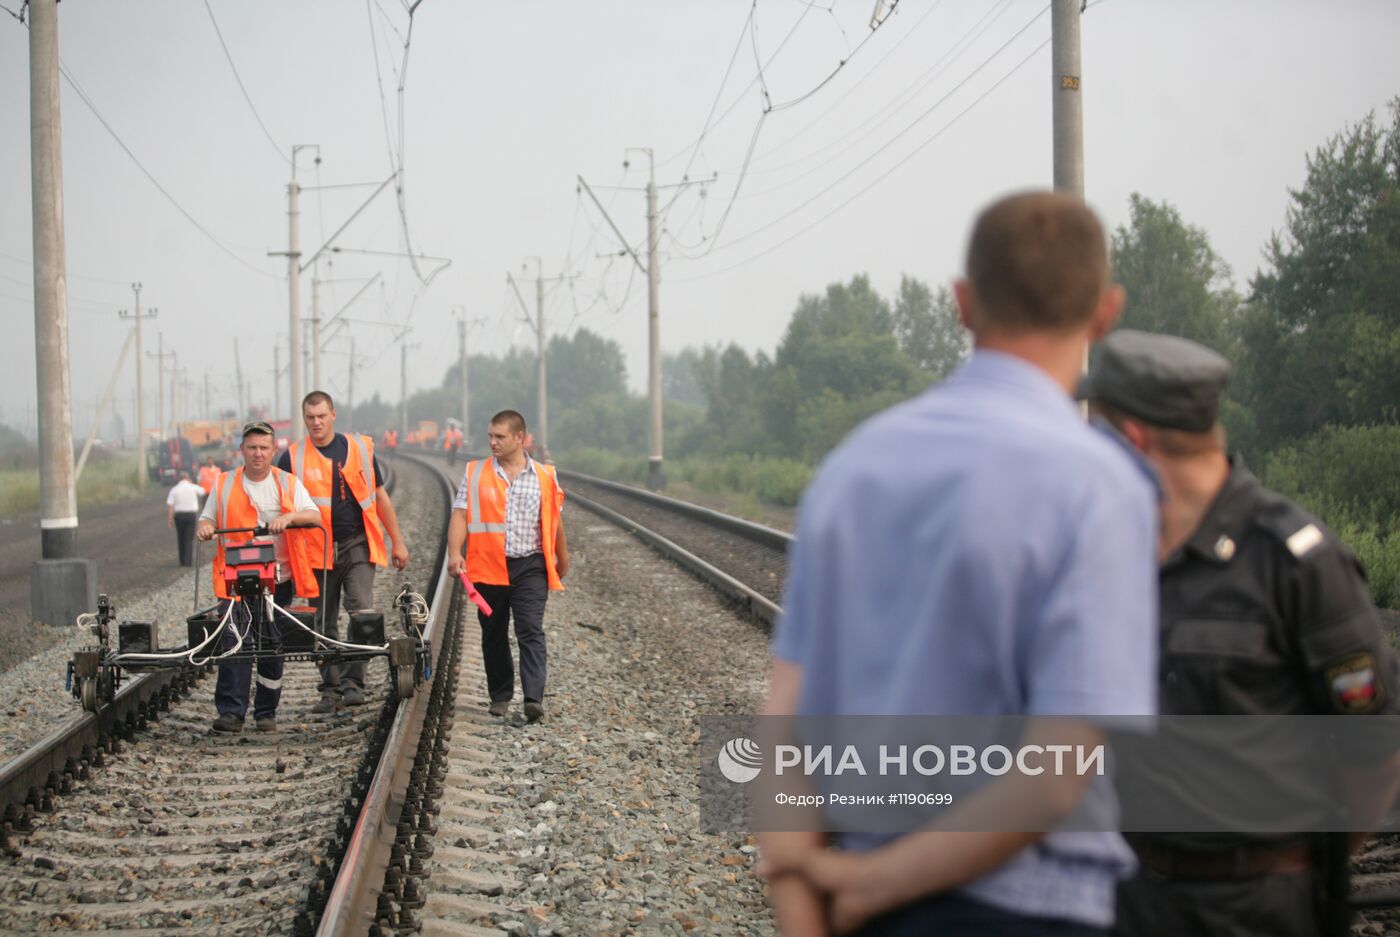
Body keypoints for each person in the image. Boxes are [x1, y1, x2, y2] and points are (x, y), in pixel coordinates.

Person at [756, 191, 1159, 936]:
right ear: (1105, 313)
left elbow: (784, 725)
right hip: (1033, 913)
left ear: (962, 303)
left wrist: (811, 907)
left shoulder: (851, 470)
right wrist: (873, 886)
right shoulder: (1100, 486)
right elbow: (1055, 775)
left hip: (862, 903)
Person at [1079, 330, 1400, 937]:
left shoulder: (1295, 561)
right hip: (1123, 902)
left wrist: (1291, 862)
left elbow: (1374, 752)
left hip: (1254, 908)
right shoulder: (1106, 552)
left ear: (1132, 439)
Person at [279, 391, 410, 712]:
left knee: (362, 613)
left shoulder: (359, 449)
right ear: (304, 418)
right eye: (310, 417)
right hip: (315, 551)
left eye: (321, 416)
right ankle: (330, 688)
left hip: (356, 543)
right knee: (322, 622)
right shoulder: (291, 458)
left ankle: (354, 682)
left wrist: (398, 541)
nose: (316, 423)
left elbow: (379, 496)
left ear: (333, 415)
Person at [196, 421, 321, 734]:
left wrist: (289, 517)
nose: (258, 453)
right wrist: (206, 528)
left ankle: (266, 712)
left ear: (273, 450)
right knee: (234, 642)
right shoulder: (224, 483)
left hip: (278, 581)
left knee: (271, 644)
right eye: (252, 447)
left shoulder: (287, 483)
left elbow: (314, 515)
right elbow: (206, 520)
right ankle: (231, 712)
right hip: (234, 582)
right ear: (242, 450)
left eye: (264, 448)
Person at [446, 409, 569, 723]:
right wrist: (454, 552)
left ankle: (533, 698)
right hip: (489, 566)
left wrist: (562, 559)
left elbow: (554, 522)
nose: (493, 442)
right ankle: (500, 696)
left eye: (500, 437)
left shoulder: (545, 476)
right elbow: (460, 513)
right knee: (494, 631)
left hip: (531, 566)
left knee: (530, 628)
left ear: (519, 438)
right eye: (490, 436)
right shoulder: (476, 473)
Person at [166, 471, 203, 567]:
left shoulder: (174, 489)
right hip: (191, 515)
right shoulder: (193, 487)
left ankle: (182, 560)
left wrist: (170, 518)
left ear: (179, 478)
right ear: (188, 478)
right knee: (189, 538)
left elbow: (170, 505)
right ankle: (188, 561)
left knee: (181, 537)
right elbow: (203, 491)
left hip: (179, 516)